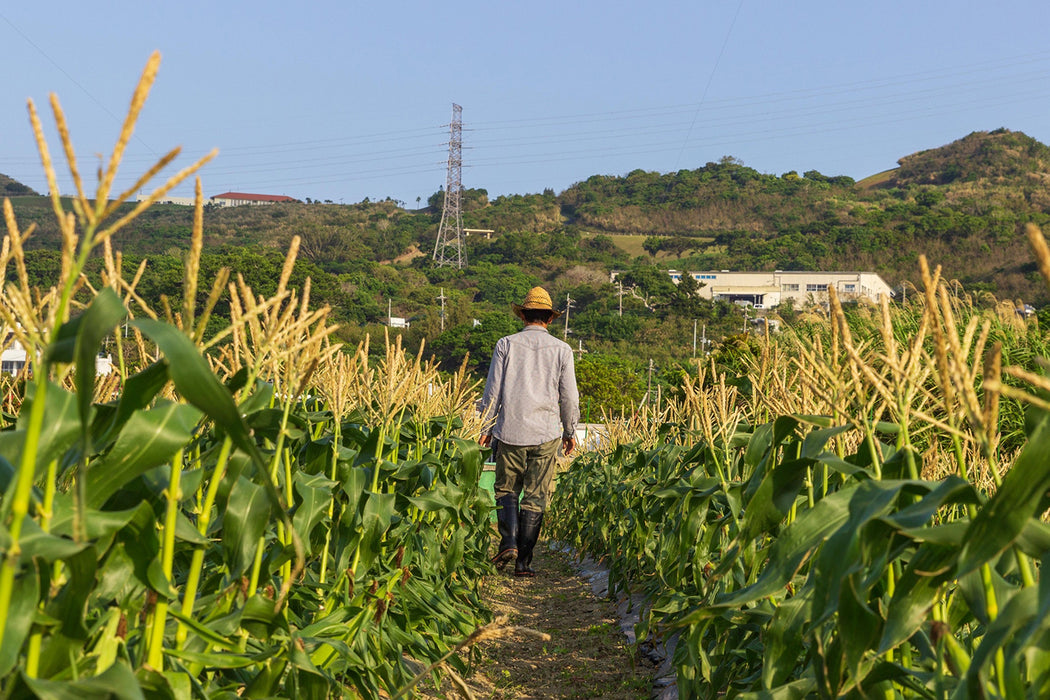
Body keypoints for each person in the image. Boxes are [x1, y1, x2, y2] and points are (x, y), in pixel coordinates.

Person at [479, 286, 579, 577]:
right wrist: (570, 431)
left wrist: (487, 426)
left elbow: (493, 390)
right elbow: (569, 396)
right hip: (546, 433)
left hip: (510, 429)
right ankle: (523, 563)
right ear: (549, 319)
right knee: (536, 496)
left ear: (523, 316)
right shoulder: (562, 349)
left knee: (507, 489)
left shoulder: (505, 344)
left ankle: (508, 542)